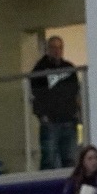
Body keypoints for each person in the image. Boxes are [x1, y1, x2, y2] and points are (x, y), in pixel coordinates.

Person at [31, 35, 80, 170]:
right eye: (53, 48)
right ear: (47, 49)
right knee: (49, 159)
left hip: (69, 121)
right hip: (50, 123)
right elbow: (35, 96)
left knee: (70, 159)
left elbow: (76, 92)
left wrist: (77, 114)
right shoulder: (39, 70)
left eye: (59, 48)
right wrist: (43, 117)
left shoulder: (69, 68)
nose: (57, 51)